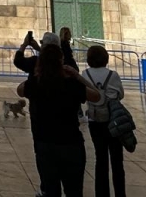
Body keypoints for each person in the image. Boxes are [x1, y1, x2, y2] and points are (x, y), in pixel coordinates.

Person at [18, 42, 100, 196]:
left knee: (51, 191)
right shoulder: (72, 85)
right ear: (61, 61)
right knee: (74, 192)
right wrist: (76, 75)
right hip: (71, 145)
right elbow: (96, 95)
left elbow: (20, 90)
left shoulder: (36, 84)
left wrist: (38, 73)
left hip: (45, 146)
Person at [83, 44, 127, 197]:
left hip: (95, 121)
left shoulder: (85, 74)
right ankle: (120, 193)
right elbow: (120, 95)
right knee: (117, 160)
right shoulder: (113, 75)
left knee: (100, 159)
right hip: (113, 120)